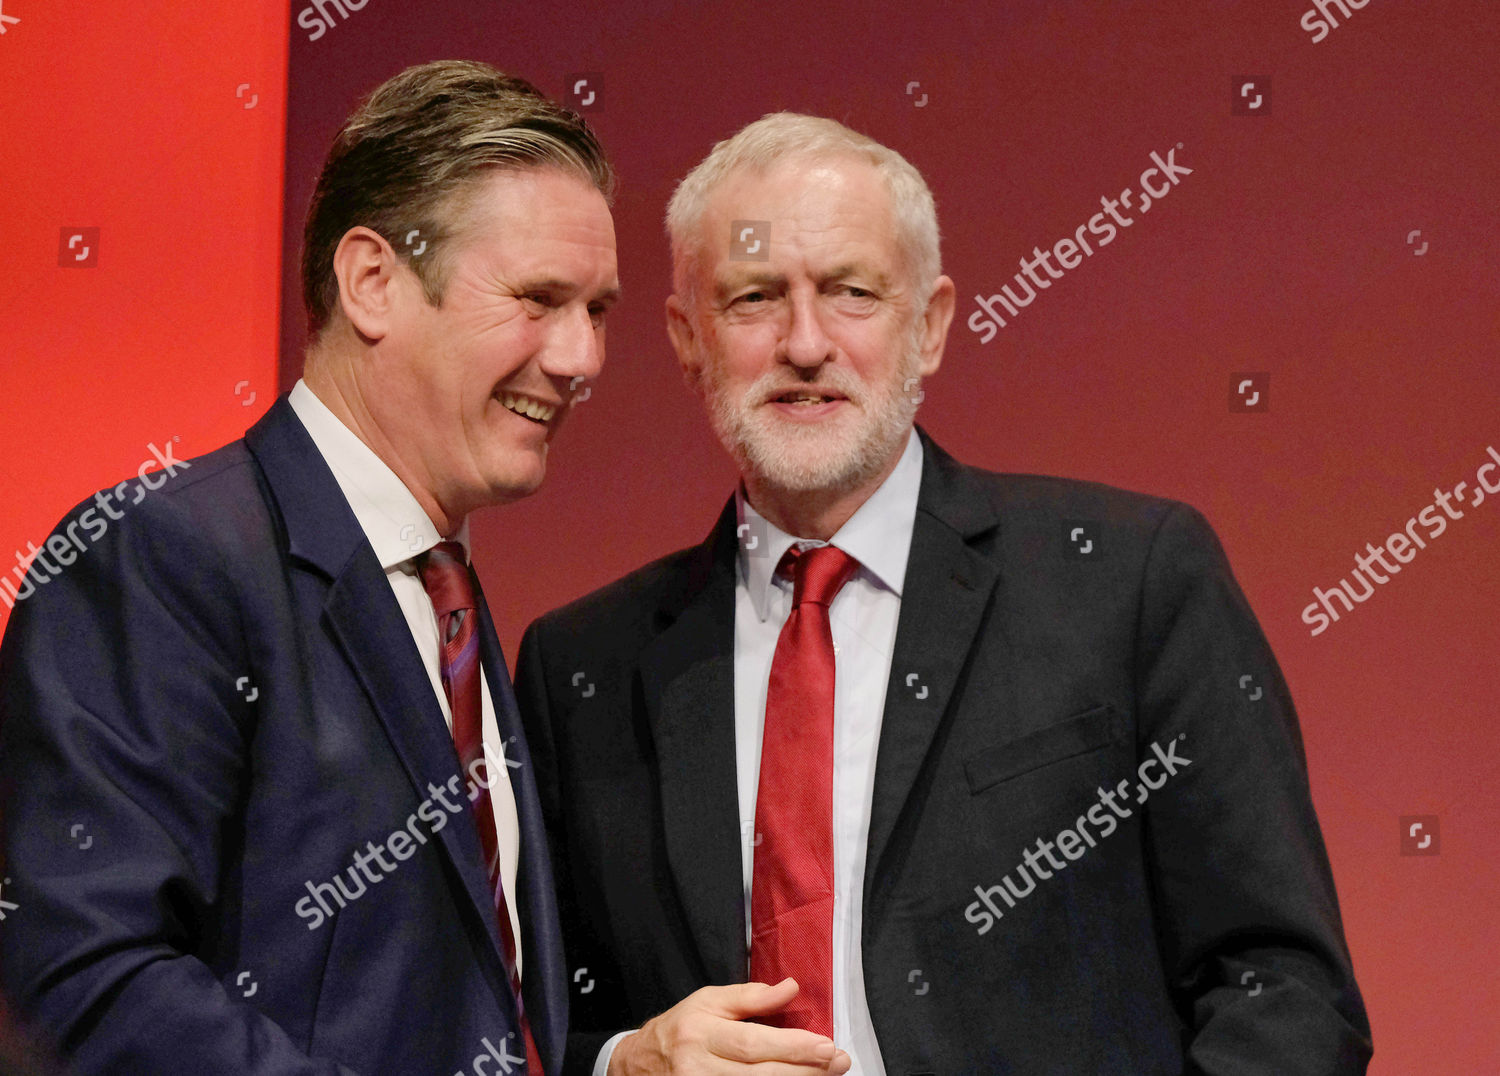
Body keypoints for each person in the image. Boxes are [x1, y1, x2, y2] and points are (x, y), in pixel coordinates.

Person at [514, 114, 1371, 1075]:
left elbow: (1285, 989)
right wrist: (625, 1061)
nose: (806, 343)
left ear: (928, 326)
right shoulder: (579, 666)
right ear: (687, 340)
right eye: (755, 298)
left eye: (851, 292)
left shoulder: (1130, 580)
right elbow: (526, 1031)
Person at [0, 60, 619, 1075]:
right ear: (372, 280)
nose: (582, 354)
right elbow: (81, 980)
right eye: (541, 298)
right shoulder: (161, 557)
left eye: (599, 309)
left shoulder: (443, 595)